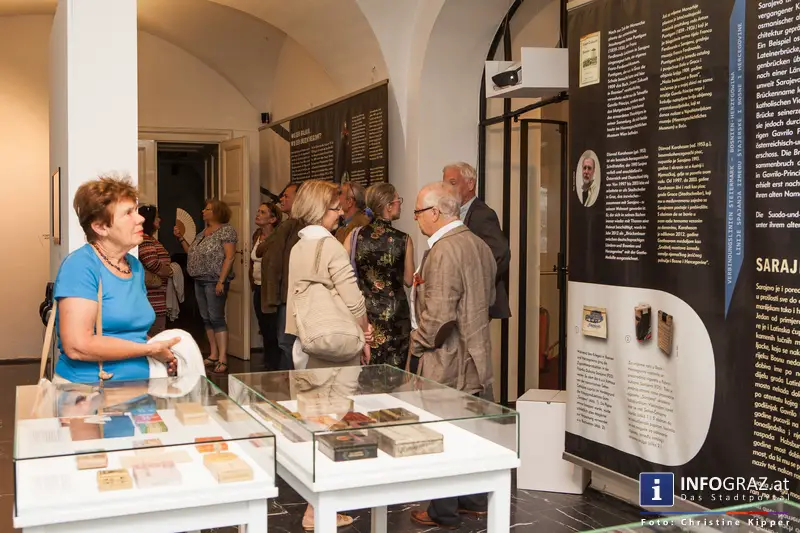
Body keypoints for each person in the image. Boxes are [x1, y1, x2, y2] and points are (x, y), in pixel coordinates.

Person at [284, 179, 373, 531]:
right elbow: (354, 301)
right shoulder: (331, 248)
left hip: (305, 344)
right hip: (335, 349)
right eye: (336, 209)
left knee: (312, 425)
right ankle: (318, 509)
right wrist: (366, 332)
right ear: (322, 210)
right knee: (335, 429)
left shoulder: (298, 247)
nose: (340, 215)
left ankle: (313, 504)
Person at [408, 182, 496, 530]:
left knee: (441, 434)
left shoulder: (444, 250)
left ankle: (442, 511)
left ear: (434, 213)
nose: (415, 219)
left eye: (417, 212)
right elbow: (486, 298)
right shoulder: (478, 244)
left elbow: (440, 317)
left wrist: (416, 342)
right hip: (475, 355)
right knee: (469, 431)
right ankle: (474, 503)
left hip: (447, 359)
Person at [54, 176, 178, 383]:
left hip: (140, 390)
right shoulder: (80, 266)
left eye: (136, 210)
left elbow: (131, 335)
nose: (140, 219)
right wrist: (149, 349)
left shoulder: (135, 266)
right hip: (88, 394)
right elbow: (77, 345)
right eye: (128, 213)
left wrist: (161, 352)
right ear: (101, 227)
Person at [344, 183, 414, 368]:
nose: (400, 204)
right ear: (389, 206)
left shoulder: (354, 235)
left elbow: (343, 275)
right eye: (398, 200)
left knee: (367, 371)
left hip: (366, 315)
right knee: (395, 374)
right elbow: (408, 280)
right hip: (396, 316)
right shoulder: (403, 239)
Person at [174, 198, 237, 374]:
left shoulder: (226, 231)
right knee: (206, 318)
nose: (203, 211)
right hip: (199, 279)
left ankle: (223, 358)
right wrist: (181, 239)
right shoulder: (203, 233)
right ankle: (213, 353)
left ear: (217, 212)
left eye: (207, 209)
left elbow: (229, 257)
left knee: (216, 318)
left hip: (214, 280)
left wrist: (221, 281)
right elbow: (192, 253)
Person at [443, 162, 510, 320]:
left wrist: (476, 285)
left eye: (452, 183)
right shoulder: (451, 213)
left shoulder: (483, 214)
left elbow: (500, 254)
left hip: (476, 303)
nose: (447, 189)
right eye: (444, 184)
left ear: (470, 183)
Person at [256, 182, 304, 370]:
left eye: (286, 196)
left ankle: (291, 387)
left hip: (290, 294)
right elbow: (261, 251)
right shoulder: (284, 227)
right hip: (279, 295)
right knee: (281, 341)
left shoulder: (298, 227)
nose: (281, 199)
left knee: (287, 343)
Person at [250, 202, 281, 370]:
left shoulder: (276, 237)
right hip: (258, 287)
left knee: (272, 328)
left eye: (263, 212)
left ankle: (274, 365)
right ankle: (267, 362)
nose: (258, 214)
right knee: (263, 327)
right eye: (258, 211)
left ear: (272, 219)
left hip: (270, 289)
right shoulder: (256, 235)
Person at [138, 204, 173, 336]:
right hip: (152, 299)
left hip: (157, 298)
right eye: (157, 217)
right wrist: (169, 271)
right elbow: (152, 263)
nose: (160, 220)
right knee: (155, 337)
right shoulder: (145, 240)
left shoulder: (150, 239)